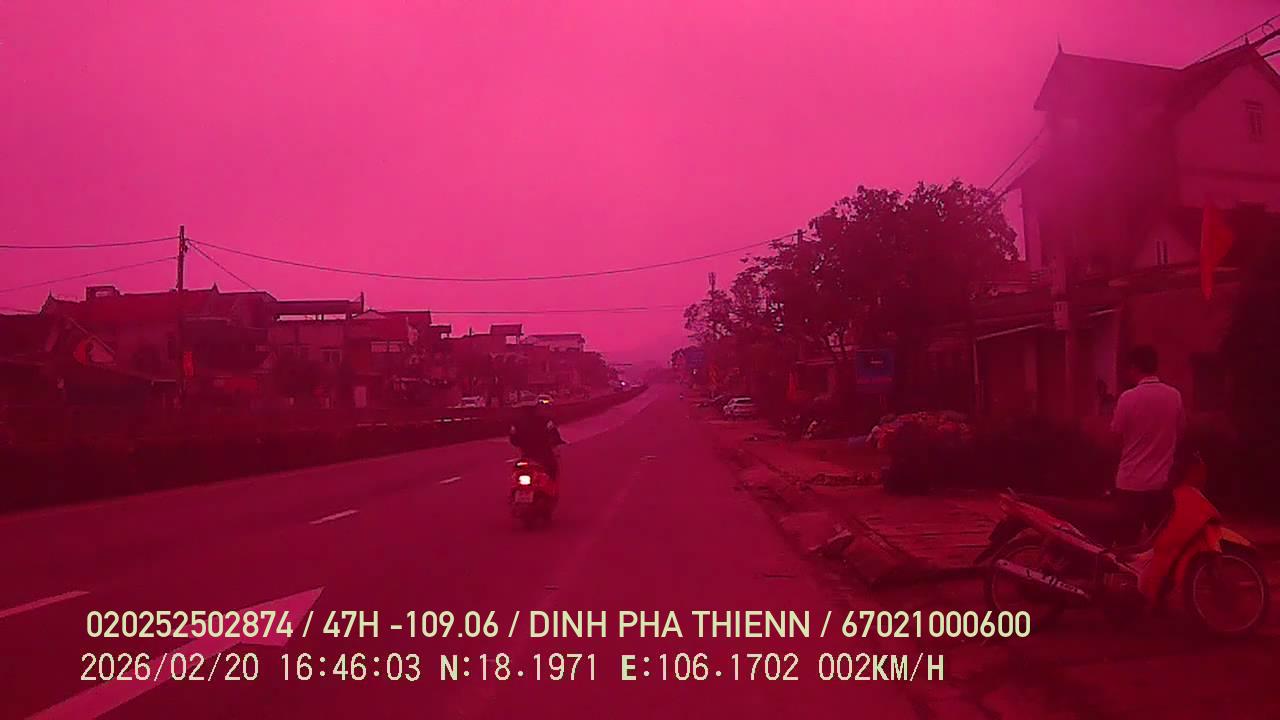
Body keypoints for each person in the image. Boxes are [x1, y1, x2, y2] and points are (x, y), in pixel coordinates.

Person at [1108, 345, 1185, 544]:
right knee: (1160, 543)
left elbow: (1115, 436)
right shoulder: (1174, 396)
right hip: (1161, 483)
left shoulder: (1128, 398)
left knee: (1126, 543)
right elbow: (1180, 432)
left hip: (1130, 482)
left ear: (1135, 367)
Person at [509, 404, 564, 480]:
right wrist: (557, 441)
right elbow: (554, 434)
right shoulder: (545, 420)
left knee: (518, 470)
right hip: (544, 451)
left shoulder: (516, 423)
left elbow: (513, 439)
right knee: (552, 469)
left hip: (526, 452)